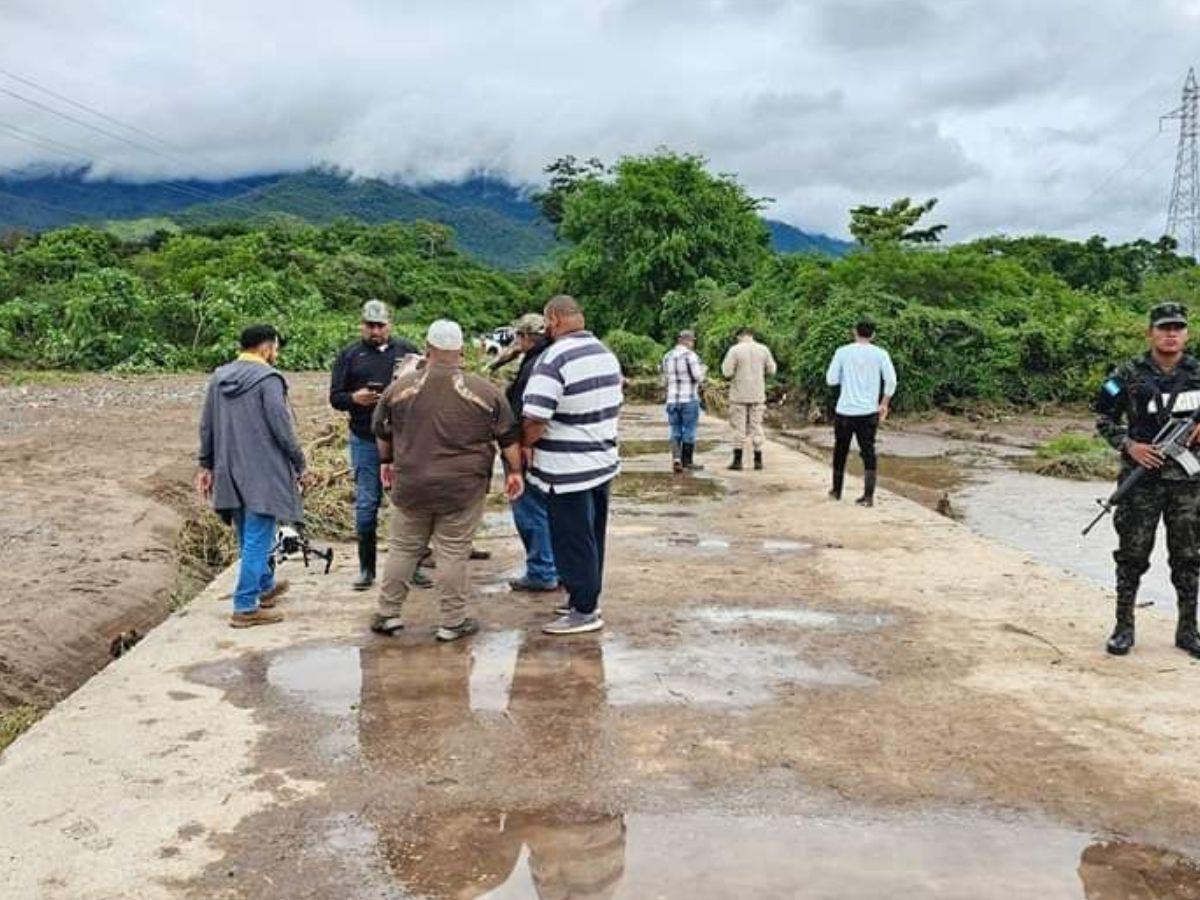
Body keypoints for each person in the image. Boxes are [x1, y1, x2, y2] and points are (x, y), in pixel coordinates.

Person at [371, 319, 524, 641]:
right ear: (461, 352)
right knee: (452, 552)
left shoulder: (398, 389)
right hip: (463, 487)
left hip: (411, 484)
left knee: (403, 549)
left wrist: (387, 462)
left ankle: (387, 614)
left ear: (427, 350)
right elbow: (508, 439)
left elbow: (382, 433)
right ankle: (452, 622)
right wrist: (515, 473)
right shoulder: (484, 391)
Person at [1095, 302, 1200, 659]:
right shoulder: (1126, 374)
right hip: (1140, 481)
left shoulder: (1198, 372)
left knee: (1188, 557)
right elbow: (1104, 419)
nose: (1171, 334)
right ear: (1150, 332)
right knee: (1131, 556)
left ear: (1186, 333)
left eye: (1178, 328)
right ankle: (1123, 628)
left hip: (1187, 483)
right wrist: (1130, 446)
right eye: (1164, 328)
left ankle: (1188, 631)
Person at [522, 295, 624, 635]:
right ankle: (585, 597)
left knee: (571, 539)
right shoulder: (604, 353)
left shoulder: (554, 358)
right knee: (592, 536)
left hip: (567, 469)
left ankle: (584, 610)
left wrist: (523, 444)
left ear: (553, 319)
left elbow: (535, 417)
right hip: (601, 462)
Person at [196, 324, 308, 629]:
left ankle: (264, 586)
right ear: (266, 348)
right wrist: (300, 462)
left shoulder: (219, 377)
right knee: (259, 536)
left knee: (249, 534)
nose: (277, 353)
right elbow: (282, 427)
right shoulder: (268, 379)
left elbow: (206, 425)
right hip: (262, 471)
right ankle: (245, 606)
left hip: (228, 469)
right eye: (276, 348)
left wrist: (206, 465)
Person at [329, 299, 420, 591]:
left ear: (389, 324)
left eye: (380, 325)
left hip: (404, 440)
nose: (375, 330)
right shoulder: (349, 355)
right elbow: (335, 397)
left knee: (410, 504)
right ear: (361, 325)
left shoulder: (406, 351)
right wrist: (355, 398)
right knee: (367, 504)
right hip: (365, 438)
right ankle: (366, 569)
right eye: (370, 325)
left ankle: (414, 567)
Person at [491, 313, 560, 593]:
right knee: (551, 511)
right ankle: (558, 567)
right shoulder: (552, 358)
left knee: (529, 508)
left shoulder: (533, 366)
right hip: (552, 448)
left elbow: (524, 412)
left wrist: (518, 449)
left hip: (528, 445)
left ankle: (542, 570)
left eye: (519, 336)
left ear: (527, 337)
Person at [825, 318, 898, 507]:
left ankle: (836, 490)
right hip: (868, 411)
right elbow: (891, 381)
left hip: (845, 410)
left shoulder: (842, 352)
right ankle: (868, 496)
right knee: (868, 452)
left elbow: (831, 380)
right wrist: (884, 403)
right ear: (873, 334)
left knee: (840, 450)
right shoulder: (881, 354)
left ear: (854, 332)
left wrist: (846, 379)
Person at [720, 327, 777, 471]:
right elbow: (772, 370)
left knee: (739, 428)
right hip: (757, 394)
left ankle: (737, 461)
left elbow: (727, 372)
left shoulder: (735, 350)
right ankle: (758, 460)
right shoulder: (763, 349)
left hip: (739, 395)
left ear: (739, 336)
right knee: (756, 426)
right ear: (752, 336)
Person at [661, 329, 706, 473]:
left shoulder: (667, 356)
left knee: (675, 429)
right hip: (689, 399)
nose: (693, 344)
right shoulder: (690, 356)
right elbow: (698, 377)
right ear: (687, 341)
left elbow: (665, 379)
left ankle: (676, 459)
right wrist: (704, 370)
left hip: (672, 399)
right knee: (689, 430)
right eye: (692, 341)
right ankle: (687, 462)